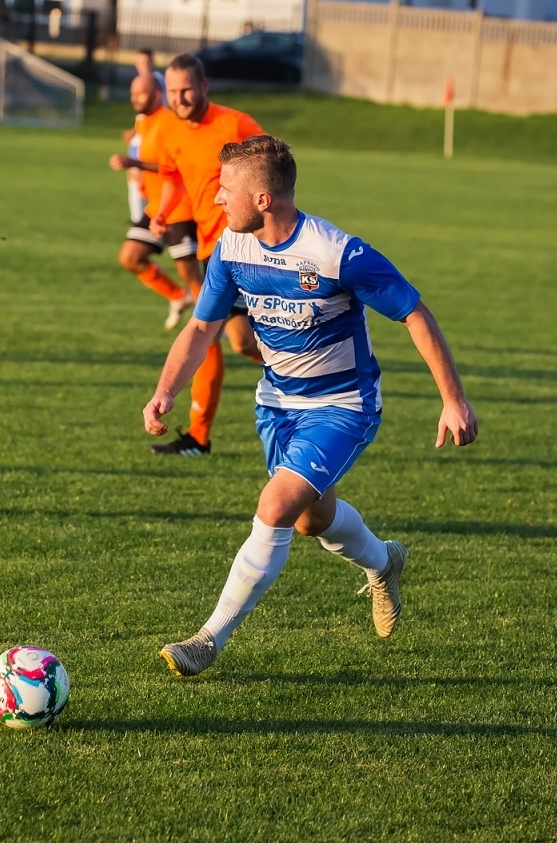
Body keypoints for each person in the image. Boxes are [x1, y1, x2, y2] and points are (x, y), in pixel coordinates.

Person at [146, 135, 477, 676]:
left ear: (263, 200)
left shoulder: (335, 253)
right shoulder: (231, 249)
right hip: (277, 403)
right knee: (310, 521)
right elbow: (202, 326)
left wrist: (453, 399)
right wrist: (166, 392)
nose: (216, 201)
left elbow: (414, 312)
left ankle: (208, 639)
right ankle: (384, 561)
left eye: (226, 190)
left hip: (344, 405)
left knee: (275, 506)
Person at [146, 53, 265, 456]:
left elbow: (273, 170)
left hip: (251, 246)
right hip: (215, 250)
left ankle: (313, 375)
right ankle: (198, 436)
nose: (178, 99)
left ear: (204, 86)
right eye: (172, 91)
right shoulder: (170, 132)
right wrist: (162, 213)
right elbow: (174, 180)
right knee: (226, 338)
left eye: (186, 90)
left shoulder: (235, 124)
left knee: (230, 338)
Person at [109, 72, 198, 328]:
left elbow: (177, 166)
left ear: (157, 95)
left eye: (140, 93)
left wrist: (135, 163)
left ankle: (214, 324)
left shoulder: (171, 122)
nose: (133, 98)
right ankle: (178, 297)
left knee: (191, 275)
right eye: (132, 93)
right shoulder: (144, 123)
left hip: (180, 208)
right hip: (155, 207)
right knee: (130, 257)